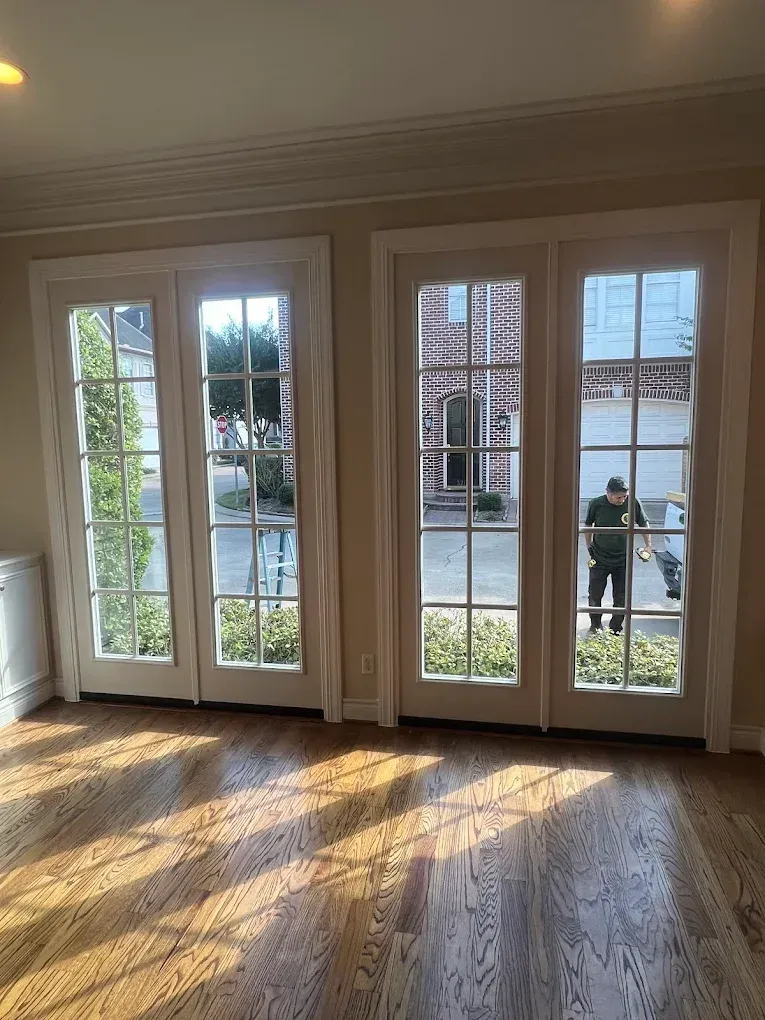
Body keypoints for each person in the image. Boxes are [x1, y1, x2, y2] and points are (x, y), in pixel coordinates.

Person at [583, 475, 652, 635]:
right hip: (599, 557)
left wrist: (648, 546)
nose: (622, 500)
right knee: (595, 593)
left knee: (621, 596)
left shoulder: (633, 502)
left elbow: (643, 523)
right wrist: (589, 547)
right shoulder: (596, 503)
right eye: (618, 497)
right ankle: (595, 625)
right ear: (608, 492)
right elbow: (588, 525)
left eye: (624, 496)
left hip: (623, 558)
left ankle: (615, 628)